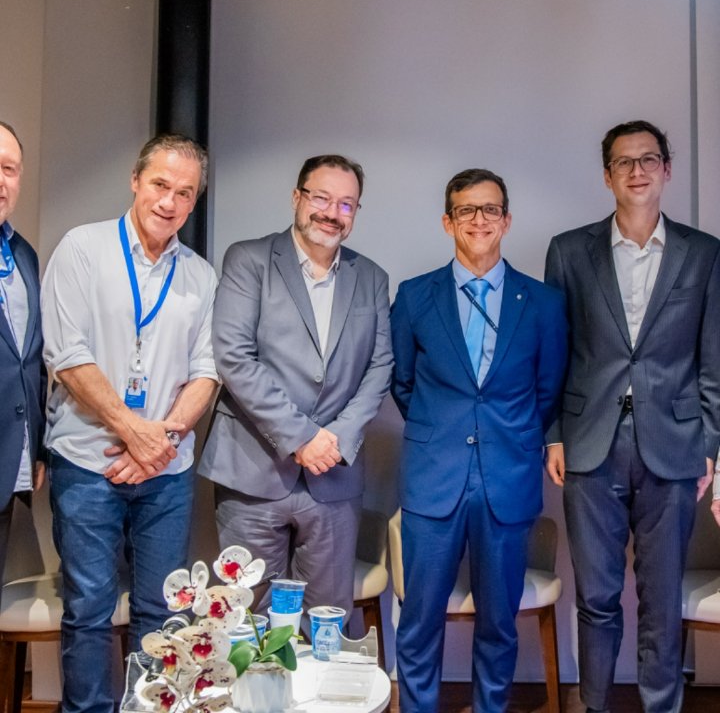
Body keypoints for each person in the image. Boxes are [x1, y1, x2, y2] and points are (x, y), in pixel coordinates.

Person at [544, 120, 720, 713]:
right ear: (607, 176)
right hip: (590, 441)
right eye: (624, 162)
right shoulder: (570, 251)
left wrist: (709, 447)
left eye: (648, 160)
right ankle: (595, 705)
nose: (637, 171)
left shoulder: (704, 253)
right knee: (596, 597)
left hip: (674, 444)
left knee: (661, 599)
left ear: (666, 169)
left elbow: (713, 363)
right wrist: (553, 435)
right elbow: (555, 353)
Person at [41, 134, 219, 713]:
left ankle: (149, 708)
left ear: (194, 202)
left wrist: (160, 442)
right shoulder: (82, 249)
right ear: (136, 180)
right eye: (160, 185)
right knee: (89, 608)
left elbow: (207, 372)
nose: (169, 202)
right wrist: (135, 432)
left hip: (166, 473)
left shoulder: (200, 276)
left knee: (163, 611)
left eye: (185, 193)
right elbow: (67, 356)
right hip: (87, 463)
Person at [391, 168, 568, 712]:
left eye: (490, 209)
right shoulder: (414, 296)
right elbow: (402, 382)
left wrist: (506, 435)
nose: (479, 220)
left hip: (508, 478)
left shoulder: (544, 303)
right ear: (448, 222)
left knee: (499, 623)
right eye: (466, 210)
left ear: (506, 220)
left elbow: (548, 389)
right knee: (419, 621)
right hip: (432, 478)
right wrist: (444, 429)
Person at [198, 154, 392, 621]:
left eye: (346, 204)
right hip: (253, 471)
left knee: (325, 619)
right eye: (321, 198)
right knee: (248, 619)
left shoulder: (371, 277)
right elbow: (235, 356)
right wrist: (302, 437)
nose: (332, 213)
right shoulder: (249, 259)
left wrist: (336, 439)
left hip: (334, 475)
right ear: (296, 198)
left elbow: (380, 365)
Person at [0, 121, 46, 592]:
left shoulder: (23, 255)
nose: (1, 180)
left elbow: (31, 360)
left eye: (9, 169)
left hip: (11, 459)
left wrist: (37, 446)